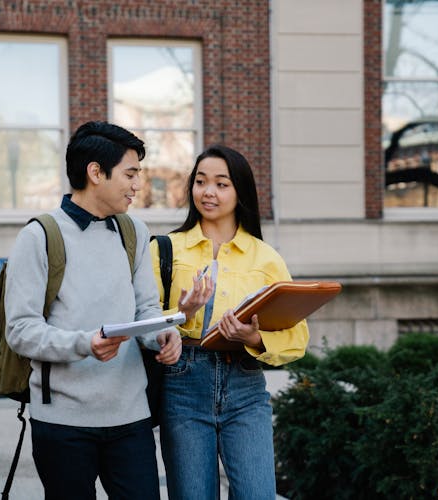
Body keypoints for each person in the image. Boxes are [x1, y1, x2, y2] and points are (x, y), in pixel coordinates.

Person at [4, 120, 182, 499]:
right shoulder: (38, 236)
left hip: (131, 418)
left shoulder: (133, 230)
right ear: (96, 172)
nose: (138, 185)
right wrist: (85, 343)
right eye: (130, 174)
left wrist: (162, 335)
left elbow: (146, 309)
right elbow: (20, 330)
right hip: (62, 422)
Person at [150, 144, 310, 499]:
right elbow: (141, 321)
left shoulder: (265, 257)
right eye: (201, 181)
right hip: (183, 389)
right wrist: (183, 315)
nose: (208, 192)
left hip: (246, 388)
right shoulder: (165, 249)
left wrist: (254, 338)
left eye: (222, 184)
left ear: (240, 191)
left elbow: (297, 337)